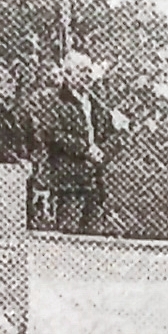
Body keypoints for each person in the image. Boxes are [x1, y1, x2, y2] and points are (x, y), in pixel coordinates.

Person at [29, 52, 117, 233]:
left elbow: (112, 136)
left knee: (94, 239)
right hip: (68, 184)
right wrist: (84, 148)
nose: (87, 76)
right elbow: (51, 134)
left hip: (94, 182)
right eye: (82, 71)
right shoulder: (55, 102)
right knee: (68, 237)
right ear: (68, 74)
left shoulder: (97, 105)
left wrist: (103, 151)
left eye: (89, 71)